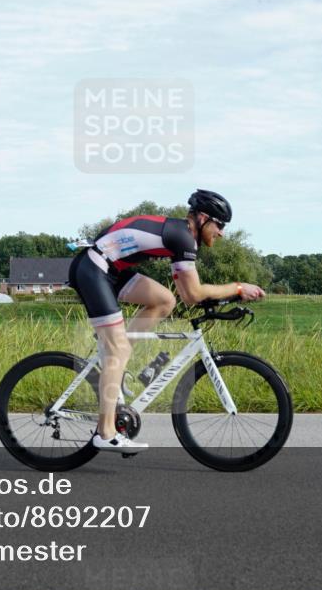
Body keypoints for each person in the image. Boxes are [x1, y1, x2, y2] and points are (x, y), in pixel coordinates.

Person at [67, 190, 266, 452]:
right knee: (118, 350)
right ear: (204, 218)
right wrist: (237, 288)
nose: (221, 233)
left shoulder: (181, 235)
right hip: (94, 270)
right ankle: (105, 433)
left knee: (164, 301)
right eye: (219, 225)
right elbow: (193, 294)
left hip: (110, 270)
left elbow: (183, 296)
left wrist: (221, 297)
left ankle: (116, 363)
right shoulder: (183, 237)